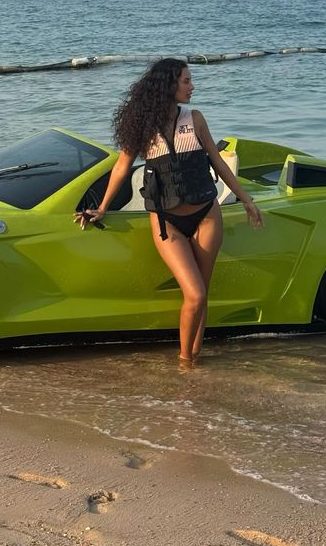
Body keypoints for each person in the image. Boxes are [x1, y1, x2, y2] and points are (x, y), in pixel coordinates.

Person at [75, 58, 263, 365]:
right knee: (196, 294)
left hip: (205, 213)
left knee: (202, 294)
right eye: (187, 81)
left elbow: (217, 162)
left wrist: (247, 200)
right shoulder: (142, 128)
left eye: (190, 81)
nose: (192, 87)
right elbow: (122, 168)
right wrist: (103, 207)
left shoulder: (195, 118)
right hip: (167, 222)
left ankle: (194, 358)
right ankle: (184, 362)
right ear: (169, 85)